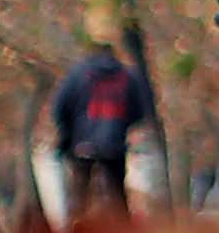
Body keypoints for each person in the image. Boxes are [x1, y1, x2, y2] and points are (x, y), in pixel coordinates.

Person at [45, 43, 156, 220]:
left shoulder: (77, 75)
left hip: (82, 144)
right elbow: (141, 111)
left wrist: (69, 135)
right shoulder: (128, 76)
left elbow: (59, 109)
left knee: (80, 194)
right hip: (115, 145)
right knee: (118, 196)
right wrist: (122, 127)